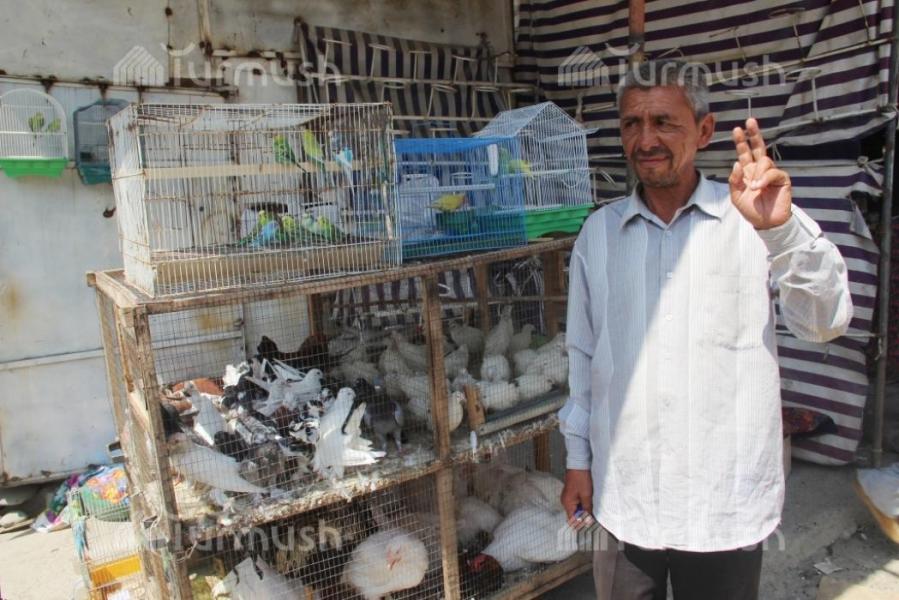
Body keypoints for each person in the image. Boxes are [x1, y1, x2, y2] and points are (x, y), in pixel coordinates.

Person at [558, 59, 853, 600]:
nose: (646, 140)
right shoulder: (598, 235)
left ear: (704, 130)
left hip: (723, 503)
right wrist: (578, 460)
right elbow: (583, 355)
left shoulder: (755, 218)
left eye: (664, 122)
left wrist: (782, 233)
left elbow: (824, 324)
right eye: (632, 124)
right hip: (627, 498)